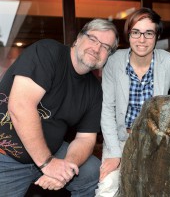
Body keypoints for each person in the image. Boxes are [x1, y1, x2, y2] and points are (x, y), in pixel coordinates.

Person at [0, 18, 119, 196]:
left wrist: (65, 168)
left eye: (105, 47)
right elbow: (20, 106)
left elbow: (86, 138)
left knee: (93, 172)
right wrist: (47, 164)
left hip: (52, 153)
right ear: (78, 38)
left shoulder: (94, 89)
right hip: (6, 158)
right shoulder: (47, 52)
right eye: (93, 39)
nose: (96, 48)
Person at [96, 8, 170, 196]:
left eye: (149, 33)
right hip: (120, 139)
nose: (142, 39)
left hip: (155, 141)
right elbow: (107, 110)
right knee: (108, 186)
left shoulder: (169, 62)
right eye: (136, 32)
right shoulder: (113, 62)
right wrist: (114, 153)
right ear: (128, 34)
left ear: (156, 36)